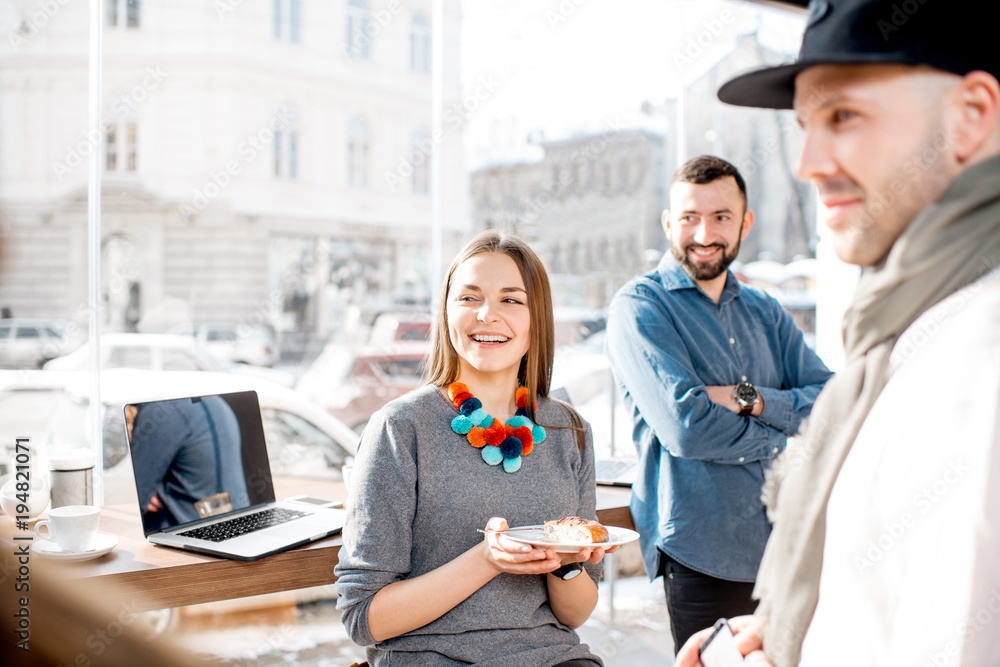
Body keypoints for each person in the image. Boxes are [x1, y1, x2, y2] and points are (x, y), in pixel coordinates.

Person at [675, 1, 1000, 665]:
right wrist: (804, 632)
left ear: (971, 117)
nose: (807, 162)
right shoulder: (904, 329)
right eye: (804, 124)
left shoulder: (976, 364)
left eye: (844, 116)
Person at [334, 230, 613, 667]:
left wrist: (566, 564)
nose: (488, 314)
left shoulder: (568, 428)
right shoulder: (400, 427)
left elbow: (575, 613)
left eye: (511, 300)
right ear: (446, 313)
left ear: (535, 318)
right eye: (469, 298)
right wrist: (488, 559)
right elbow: (363, 618)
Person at [604, 154, 833, 652]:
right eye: (689, 217)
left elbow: (833, 401)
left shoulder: (765, 310)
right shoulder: (641, 307)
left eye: (721, 217)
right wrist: (784, 435)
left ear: (744, 223)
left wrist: (745, 399)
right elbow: (688, 429)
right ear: (668, 223)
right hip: (704, 551)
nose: (704, 232)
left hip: (788, 548)